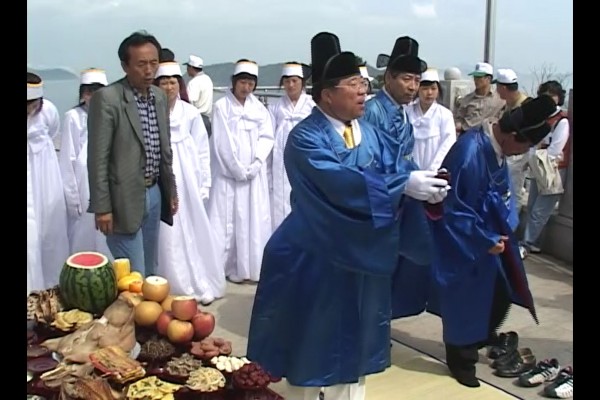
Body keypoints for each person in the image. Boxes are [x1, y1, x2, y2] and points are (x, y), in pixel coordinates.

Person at [246, 32, 449, 400]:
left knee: (356, 345)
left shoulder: (370, 132)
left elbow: (397, 168)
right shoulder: (305, 138)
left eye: (364, 84)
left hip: (362, 254)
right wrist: (403, 184)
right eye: (354, 84)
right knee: (310, 344)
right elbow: (341, 183)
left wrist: (425, 188)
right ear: (327, 94)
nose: (363, 92)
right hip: (316, 252)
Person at [429, 95, 557, 388]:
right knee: (467, 301)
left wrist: (502, 230)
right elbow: (450, 206)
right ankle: (461, 360)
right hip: (465, 241)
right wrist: (483, 238)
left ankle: (481, 335)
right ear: (512, 136)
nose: (524, 152)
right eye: (526, 145)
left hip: (492, 238)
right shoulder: (469, 152)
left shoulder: (497, 150)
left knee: (501, 292)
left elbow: (503, 197)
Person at [87, 30, 178, 277]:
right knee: (133, 274)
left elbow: (164, 149)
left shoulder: (159, 97)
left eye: (153, 63)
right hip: (122, 197)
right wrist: (102, 207)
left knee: (150, 270)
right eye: (141, 64)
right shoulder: (108, 99)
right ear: (125, 66)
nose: (149, 71)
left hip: (154, 191)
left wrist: (171, 189)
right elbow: (97, 158)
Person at [363, 36, 442, 319]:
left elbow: (405, 157)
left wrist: (425, 179)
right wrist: (404, 183)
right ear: (389, 77)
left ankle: (381, 318)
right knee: (374, 268)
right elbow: (367, 164)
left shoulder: (403, 113)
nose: (413, 87)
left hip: (398, 201)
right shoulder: (372, 112)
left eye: (417, 80)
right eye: (407, 79)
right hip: (378, 201)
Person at [154, 61, 225, 305]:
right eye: (164, 82)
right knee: (164, 229)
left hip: (186, 174)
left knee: (189, 222)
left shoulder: (190, 113)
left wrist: (204, 183)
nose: (169, 87)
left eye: (173, 82)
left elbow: (203, 150)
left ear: (180, 85)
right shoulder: (151, 111)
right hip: (160, 170)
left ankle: (192, 278)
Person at [207, 59, 274, 283]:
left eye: (251, 83)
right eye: (243, 82)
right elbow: (221, 142)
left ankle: (249, 267)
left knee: (251, 219)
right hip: (228, 175)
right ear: (234, 82)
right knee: (226, 219)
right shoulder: (221, 107)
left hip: (253, 175)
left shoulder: (259, 109)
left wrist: (256, 163)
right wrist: (236, 169)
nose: (246, 87)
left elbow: (267, 136)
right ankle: (222, 266)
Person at [59, 68, 113, 256]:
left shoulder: (113, 113)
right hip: (84, 181)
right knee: (84, 230)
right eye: (89, 91)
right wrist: (72, 197)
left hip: (108, 177)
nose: (93, 96)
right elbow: (68, 158)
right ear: (83, 94)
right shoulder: (73, 117)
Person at [27, 72, 70, 289]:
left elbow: (53, 131)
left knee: (50, 225)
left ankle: (53, 282)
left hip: (44, 169)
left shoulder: (48, 111)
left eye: (33, 103)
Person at [521, 81, 570, 256]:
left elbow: (555, 149)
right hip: (538, 167)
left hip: (552, 170)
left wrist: (536, 155)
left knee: (540, 211)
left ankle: (526, 243)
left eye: (552, 95)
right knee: (532, 207)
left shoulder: (561, 122)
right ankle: (535, 243)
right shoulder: (540, 119)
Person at [268, 61, 315, 230]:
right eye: (287, 81)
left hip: (305, 156)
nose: (290, 85)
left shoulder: (311, 105)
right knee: (281, 201)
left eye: (294, 81)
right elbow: (269, 134)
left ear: (302, 82)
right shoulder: (275, 107)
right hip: (281, 158)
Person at [494, 68, 531, 214]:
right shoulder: (508, 105)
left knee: (514, 192)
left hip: (518, 156)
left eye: (497, 87)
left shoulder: (526, 106)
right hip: (505, 154)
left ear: (503, 88)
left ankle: (512, 224)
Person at [405, 68, 456, 171]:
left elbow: (448, 143)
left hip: (435, 169)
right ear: (418, 89)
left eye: (433, 88)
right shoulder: (407, 111)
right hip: (409, 170)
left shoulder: (445, 114)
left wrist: (433, 168)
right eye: (425, 89)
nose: (429, 93)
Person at [454, 62, 505, 134]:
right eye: (475, 77)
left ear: (488, 79)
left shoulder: (500, 98)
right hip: (468, 135)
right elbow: (458, 118)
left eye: (479, 77)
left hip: (490, 136)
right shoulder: (467, 99)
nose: (475, 80)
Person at [185, 54, 214, 136]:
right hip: (207, 119)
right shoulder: (207, 79)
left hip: (197, 119)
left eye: (187, 67)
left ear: (191, 67)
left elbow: (190, 102)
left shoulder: (193, 83)